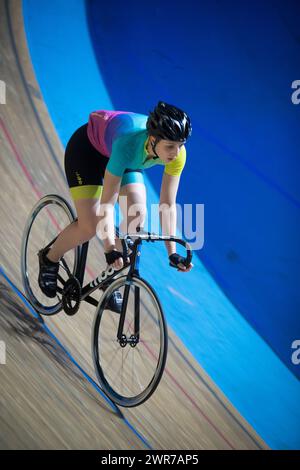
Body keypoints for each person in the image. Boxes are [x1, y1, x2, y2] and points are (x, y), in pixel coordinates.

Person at [38, 101, 194, 311]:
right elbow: (108, 203)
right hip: (88, 153)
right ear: (153, 139)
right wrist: (110, 248)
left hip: (122, 159)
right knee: (90, 225)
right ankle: (49, 258)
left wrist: (172, 253)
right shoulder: (128, 144)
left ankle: (108, 279)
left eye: (180, 145)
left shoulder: (177, 155)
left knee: (137, 214)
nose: (176, 153)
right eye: (170, 146)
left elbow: (167, 203)